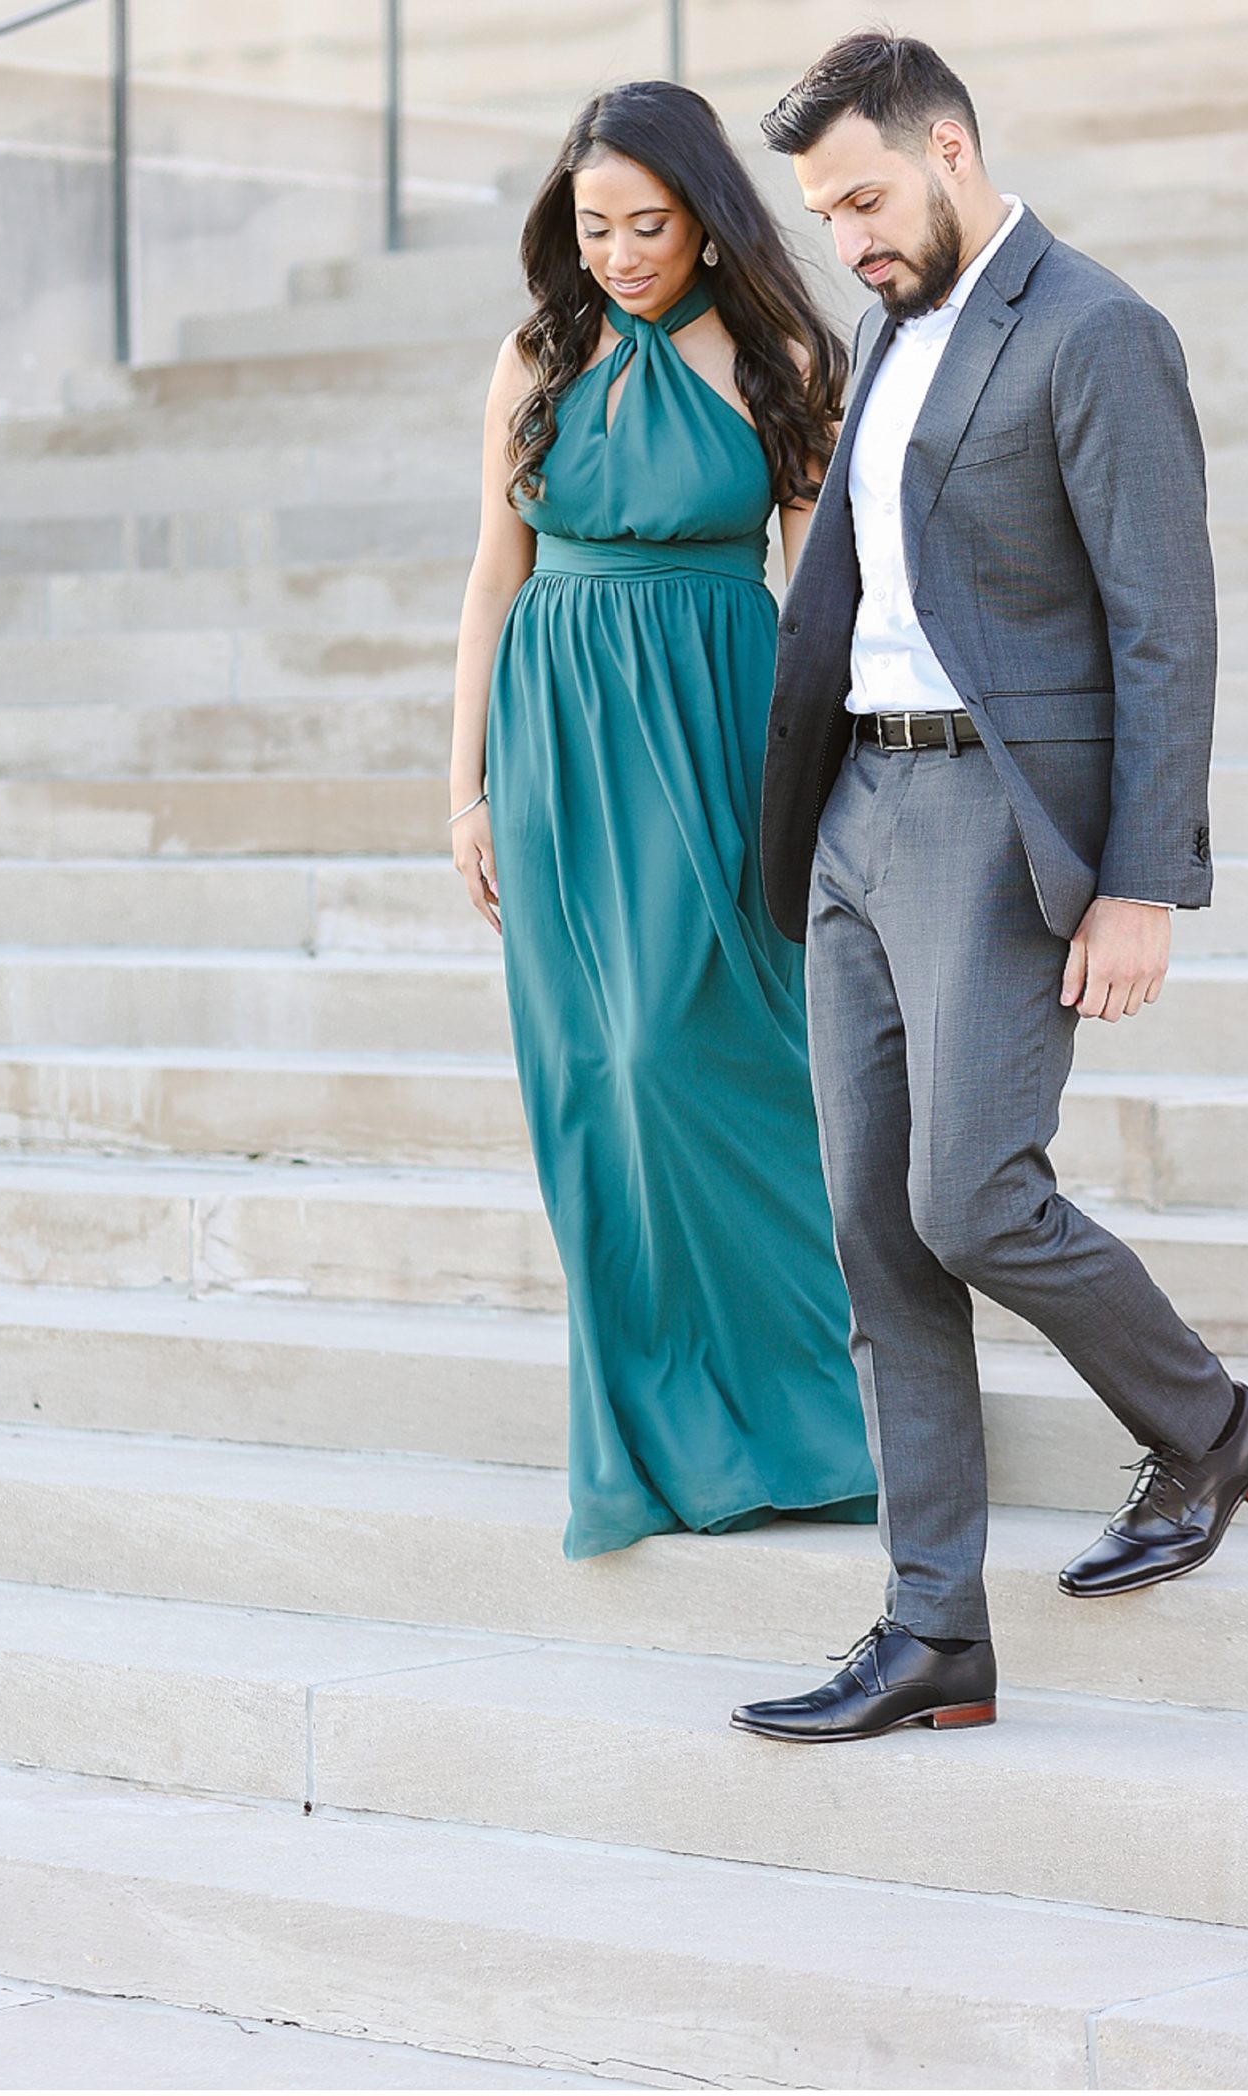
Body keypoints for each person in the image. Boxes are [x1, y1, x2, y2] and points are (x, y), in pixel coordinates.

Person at [732, 31, 1248, 1744]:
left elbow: (1161, 624)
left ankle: (1206, 1427)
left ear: (951, 146)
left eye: (866, 198)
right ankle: (932, 1634)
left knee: (969, 1196)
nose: (846, 238)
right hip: (856, 813)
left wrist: (1141, 883)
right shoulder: (885, 332)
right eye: (822, 213)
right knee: (872, 1231)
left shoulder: (1097, 331)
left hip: (995, 815)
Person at [449, 79, 879, 1561]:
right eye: (593, 227)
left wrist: (825, 777)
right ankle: (657, 1429)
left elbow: (821, 599)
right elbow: (490, 581)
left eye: (648, 223)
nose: (621, 253)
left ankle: (808, 1417)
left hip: (718, 726)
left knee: (722, 1060)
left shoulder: (780, 358)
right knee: (599, 1080)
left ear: (706, 216)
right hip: (559, 734)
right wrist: (465, 790)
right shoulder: (537, 356)